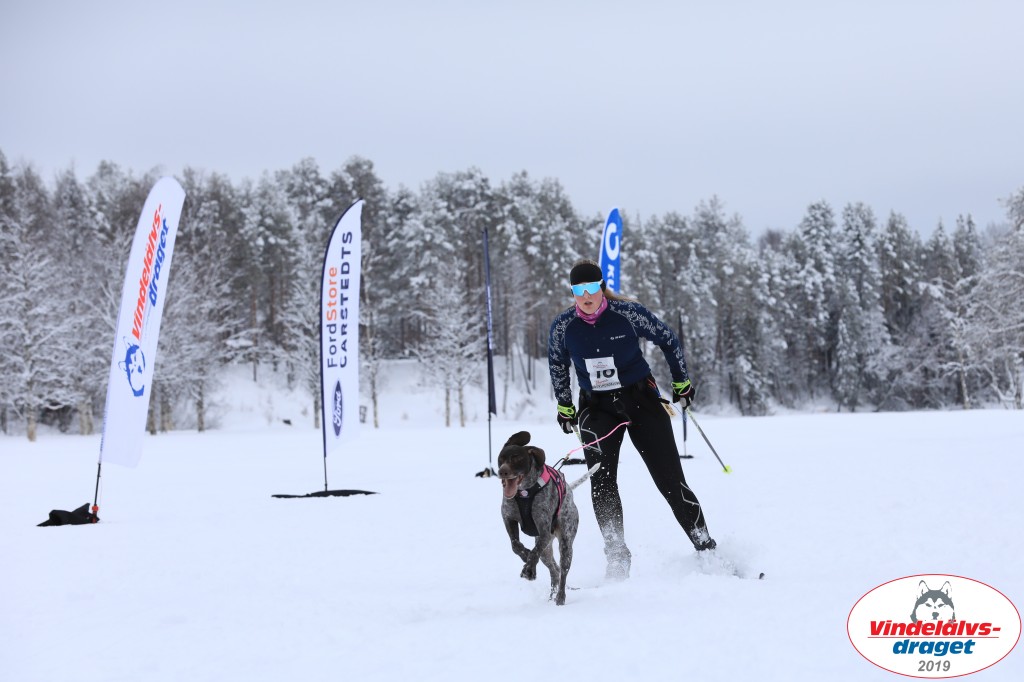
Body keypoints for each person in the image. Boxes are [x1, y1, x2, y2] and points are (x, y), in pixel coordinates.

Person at [547, 259, 715, 581]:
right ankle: (617, 559)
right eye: (578, 290)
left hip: (641, 401)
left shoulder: (628, 314)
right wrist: (564, 405)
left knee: (670, 480)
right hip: (596, 409)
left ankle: (705, 548)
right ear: (573, 292)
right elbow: (557, 363)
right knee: (603, 481)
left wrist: (681, 382)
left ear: (601, 287)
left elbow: (668, 339)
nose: (586, 295)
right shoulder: (563, 326)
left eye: (591, 287)